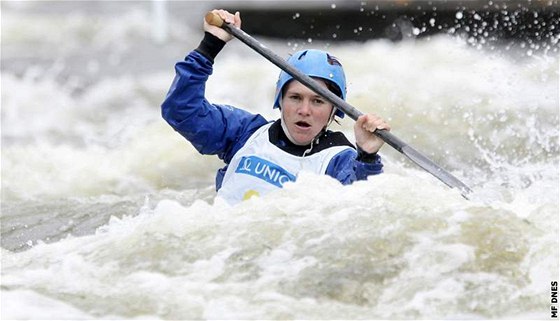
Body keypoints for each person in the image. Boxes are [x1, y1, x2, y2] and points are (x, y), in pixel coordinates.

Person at [162, 9, 391, 204]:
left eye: (318, 101)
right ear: (280, 100)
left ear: (334, 110)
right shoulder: (244, 133)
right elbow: (181, 109)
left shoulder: (338, 159)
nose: (304, 110)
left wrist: (368, 157)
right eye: (295, 98)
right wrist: (210, 45)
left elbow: (363, 205)